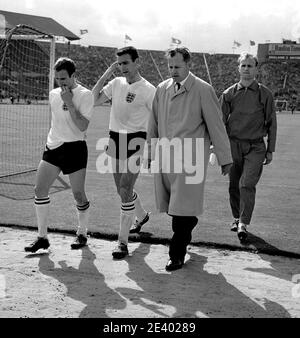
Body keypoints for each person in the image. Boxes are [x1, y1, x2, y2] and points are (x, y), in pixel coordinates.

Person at [147, 47, 233, 271]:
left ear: (188, 65)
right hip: (166, 157)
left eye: (177, 66)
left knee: (180, 211)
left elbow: (216, 125)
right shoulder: (161, 89)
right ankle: (190, 223)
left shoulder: (203, 90)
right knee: (173, 208)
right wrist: (150, 152)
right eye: (170, 67)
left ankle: (176, 255)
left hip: (191, 159)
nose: (173, 71)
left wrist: (225, 158)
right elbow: (153, 124)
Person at [24, 57, 94, 253]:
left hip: (75, 148)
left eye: (64, 78)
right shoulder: (53, 94)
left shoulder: (85, 95)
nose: (60, 82)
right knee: (40, 189)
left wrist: (70, 103)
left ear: (73, 75)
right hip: (53, 147)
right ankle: (42, 237)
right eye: (57, 79)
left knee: (78, 194)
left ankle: (82, 232)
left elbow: (82, 126)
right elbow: (56, 122)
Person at [92, 46, 156, 259]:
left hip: (136, 140)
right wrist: (107, 73)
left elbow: (156, 120)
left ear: (137, 62)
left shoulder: (148, 89)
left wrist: (151, 149)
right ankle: (142, 215)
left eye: (126, 63)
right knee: (122, 190)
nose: (122, 67)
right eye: (119, 64)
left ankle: (122, 242)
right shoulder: (116, 83)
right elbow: (94, 99)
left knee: (126, 188)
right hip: (115, 138)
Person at [219, 52, 277, 241]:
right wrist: (217, 148)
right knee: (234, 185)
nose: (246, 69)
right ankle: (236, 218)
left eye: (250, 66)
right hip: (233, 145)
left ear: (256, 69)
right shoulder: (228, 93)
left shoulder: (264, 94)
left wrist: (270, 149)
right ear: (238, 68)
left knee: (246, 184)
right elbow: (220, 123)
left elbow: (271, 123)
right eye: (243, 65)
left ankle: (243, 223)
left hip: (256, 147)